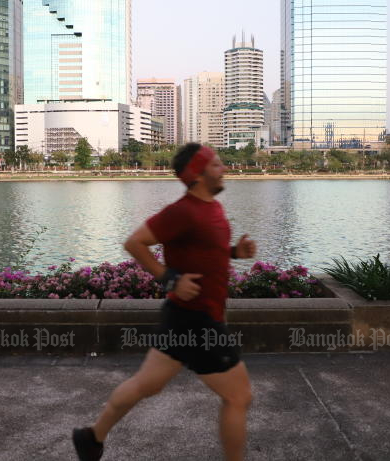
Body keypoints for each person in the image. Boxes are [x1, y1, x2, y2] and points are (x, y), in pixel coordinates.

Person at [73, 143, 257, 461]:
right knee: (239, 396)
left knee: (146, 385)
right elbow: (134, 242)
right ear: (198, 175)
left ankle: (91, 437)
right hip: (198, 321)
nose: (223, 168)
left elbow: (206, 250)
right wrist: (170, 278)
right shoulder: (182, 211)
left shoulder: (211, 207)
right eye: (215, 164)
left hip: (182, 318)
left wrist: (233, 253)